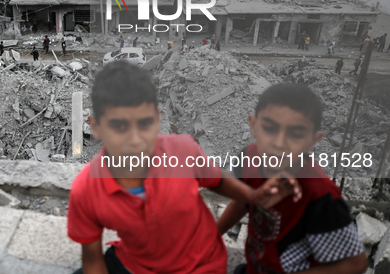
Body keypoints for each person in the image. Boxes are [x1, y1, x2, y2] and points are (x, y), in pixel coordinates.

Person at [68, 62, 300, 274]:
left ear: (158, 119)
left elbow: (217, 180)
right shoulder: (86, 190)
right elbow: (92, 259)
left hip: (199, 266)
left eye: (145, 123)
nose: (135, 139)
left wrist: (252, 195)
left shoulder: (182, 151)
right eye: (119, 126)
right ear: (95, 126)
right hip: (136, 261)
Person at [216, 83, 367, 274]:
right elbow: (244, 200)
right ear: (253, 126)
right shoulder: (248, 158)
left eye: (295, 134)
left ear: (313, 140)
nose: (279, 143)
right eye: (269, 128)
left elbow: (355, 264)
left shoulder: (320, 196)